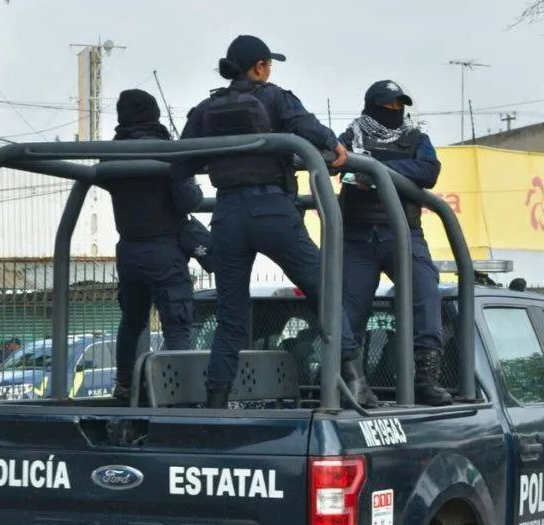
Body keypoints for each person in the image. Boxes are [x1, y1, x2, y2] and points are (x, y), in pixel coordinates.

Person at [174, 35, 358, 408]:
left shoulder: (205, 109)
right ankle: (353, 379)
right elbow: (306, 127)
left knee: (231, 314)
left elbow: (181, 162)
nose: (270, 70)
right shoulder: (274, 97)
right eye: (268, 64)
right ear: (259, 67)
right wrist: (337, 148)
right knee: (324, 288)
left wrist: (222, 159)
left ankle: (217, 399)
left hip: (226, 216)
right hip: (273, 210)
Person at [337, 80, 451, 407]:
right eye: (388, 106)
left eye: (399, 105)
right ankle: (351, 381)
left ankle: (426, 379)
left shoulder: (418, 138)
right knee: (348, 310)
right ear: (372, 106)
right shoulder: (350, 136)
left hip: (403, 232)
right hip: (357, 237)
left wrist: (373, 167)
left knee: (427, 293)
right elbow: (339, 163)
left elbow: (428, 171)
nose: (394, 111)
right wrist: (370, 168)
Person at [101, 89, 205, 401]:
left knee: (132, 322)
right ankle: (176, 393)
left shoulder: (110, 155)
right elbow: (191, 199)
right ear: (154, 114)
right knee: (177, 325)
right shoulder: (167, 151)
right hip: (165, 251)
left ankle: (124, 386)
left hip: (129, 252)